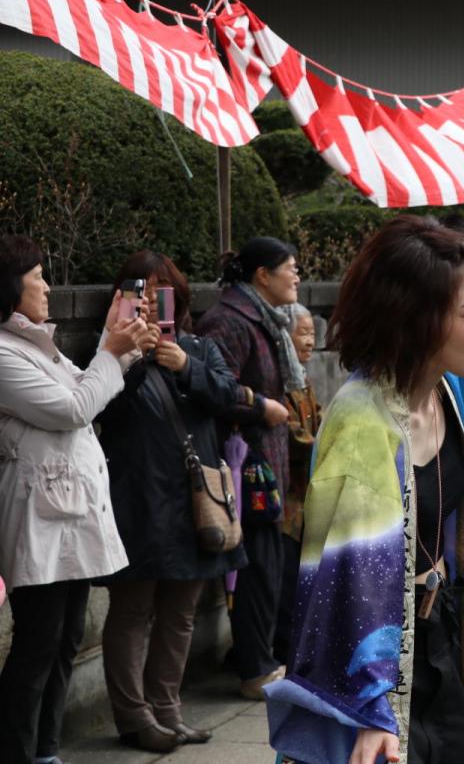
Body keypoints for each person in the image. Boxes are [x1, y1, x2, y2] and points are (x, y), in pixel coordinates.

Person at [261, 216, 464, 764]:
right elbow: (346, 581)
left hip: (438, 637)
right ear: (416, 320)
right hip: (379, 664)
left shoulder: (447, 387)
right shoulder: (363, 421)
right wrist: (369, 708)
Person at [0, 235, 151, 764]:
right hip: (38, 518)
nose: (46, 285)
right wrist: (111, 352)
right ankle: (17, 752)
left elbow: (88, 386)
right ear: (9, 286)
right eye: (37, 276)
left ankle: (46, 750)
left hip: (69, 514)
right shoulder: (2, 354)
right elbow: (73, 409)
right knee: (38, 643)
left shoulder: (37, 344)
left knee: (66, 640)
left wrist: (121, 344)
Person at [96, 251, 248, 753]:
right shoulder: (110, 352)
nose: (150, 302)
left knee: (182, 613)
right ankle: (134, 717)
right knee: (133, 608)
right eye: (140, 292)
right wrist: (133, 356)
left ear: (178, 298)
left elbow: (230, 398)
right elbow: (102, 408)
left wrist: (186, 368)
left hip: (193, 500)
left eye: (162, 292)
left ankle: (167, 710)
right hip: (139, 497)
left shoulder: (199, 347)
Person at [195, 237, 299, 700]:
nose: (297, 276)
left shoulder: (265, 318)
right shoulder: (228, 320)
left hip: (268, 463)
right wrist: (264, 409)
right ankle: (254, 669)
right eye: (289, 268)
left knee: (270, 567)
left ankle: (265, 660)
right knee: (254, 571)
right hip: (244, 464)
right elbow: (217, 389)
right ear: (262, 275)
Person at [274, 302, 321, 666]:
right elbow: (295, 435)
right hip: (287, 500)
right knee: (287, 582)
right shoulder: (278, 380)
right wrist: (325, 449)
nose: (310, 341)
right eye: (302, 333)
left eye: (312, 333)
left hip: (306, 500)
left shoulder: (303, 378)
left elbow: (318, 422)